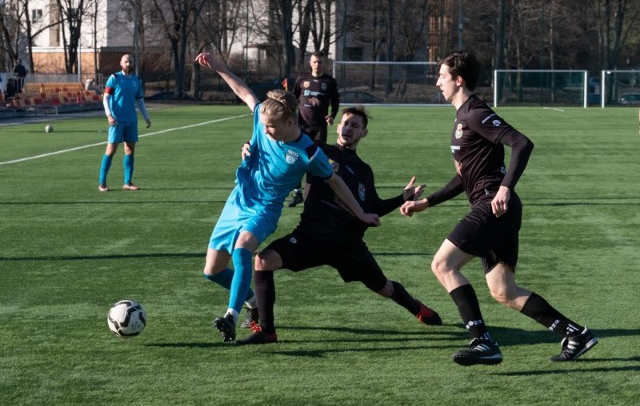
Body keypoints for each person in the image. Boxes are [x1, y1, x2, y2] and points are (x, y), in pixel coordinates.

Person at [400, 50, 597, 366]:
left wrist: (505, 187)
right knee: (503, 290)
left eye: (442, 76)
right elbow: (464, 176)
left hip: (494, 204)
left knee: (442, 265)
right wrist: (427, 202)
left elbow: (522, 143)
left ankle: (482, 341)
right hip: (498, 207)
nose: (437, 82)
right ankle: (576, 334)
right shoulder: (461, 117)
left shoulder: (475, 112)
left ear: (458, 79)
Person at [194, 52, 380, 343]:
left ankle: (231, 315)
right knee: (212, 271)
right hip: (238, 201)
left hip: (265, 210)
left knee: (243, 250)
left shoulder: (308, 153)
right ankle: (253, 301)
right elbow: (244, 92)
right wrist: (220, 68)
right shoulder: (264, 119)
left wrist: (361, 214)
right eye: (264, 126)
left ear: (291, 122)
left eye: (271, 128)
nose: (265, 131)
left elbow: (336, 183)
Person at [235, 106, 442, 345]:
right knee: (264, 260)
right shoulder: (318, 150)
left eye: (355, 125)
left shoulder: (364, 171)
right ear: (336, 126)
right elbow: (280, 135)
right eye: (345, 123)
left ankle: (417, 308)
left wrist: (401, 199)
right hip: (311, 235)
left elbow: (371, 208)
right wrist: (250, 145)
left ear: (364, 133)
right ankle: (267, 331)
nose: (348, 128)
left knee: (384, 288)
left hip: (348, 244)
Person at [287, 51, 340, 207]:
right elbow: (292, 98)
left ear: (324, 63)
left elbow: (335, 102)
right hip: (301, 127)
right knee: (296, 157)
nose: (318, 65)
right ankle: (297, 193)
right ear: (310, 63)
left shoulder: (329, 81)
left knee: (315, 159)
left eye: (320, 62)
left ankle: (313, 193)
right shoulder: (302, 79)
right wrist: (290, 117)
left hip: (319, 129)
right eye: (315, 62)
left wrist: (332, 116)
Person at [98, 54, 151, 192]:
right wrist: (109, 115)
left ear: (133, 64)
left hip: (131, 120)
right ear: (121, 63)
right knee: (111, 150)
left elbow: (140, 100)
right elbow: (106, 99)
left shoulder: (137, 80)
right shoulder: (114, 78)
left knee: (130, 150)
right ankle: (102, 183)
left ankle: (127, 182)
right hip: (117, 120)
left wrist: (146, 117)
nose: (128, 64)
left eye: (131, 62)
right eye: (126, 61)